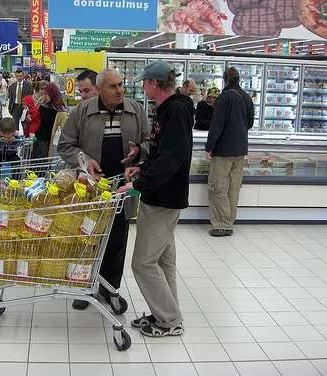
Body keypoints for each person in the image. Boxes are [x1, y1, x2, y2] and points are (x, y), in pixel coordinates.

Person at [58, 68, 150, 310]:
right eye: (113, 86)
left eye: (121, 85)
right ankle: (84, 287)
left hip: (121, 188)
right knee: (86, 239)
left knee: (117, 240)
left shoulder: (135, 110)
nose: (120, 90)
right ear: (99, 89)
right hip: (90, 188)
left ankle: (110, 289)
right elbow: (65, 145)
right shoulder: (82, 112)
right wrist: (84, 159)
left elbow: (149, 141)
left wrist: (139, 151)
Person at [118, 60, 194, 338]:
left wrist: (140, 183)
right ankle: (165, 313)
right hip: (163, 194)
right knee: (163, 261)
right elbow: (163, 152)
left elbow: (173, 157)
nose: (142, 87)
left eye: (144, 82)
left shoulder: (174, 111)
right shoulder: (170, 109)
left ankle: (169, 320)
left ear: (153, 83)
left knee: (143, 262)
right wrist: (142, 165)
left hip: (163, 198)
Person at [205, 67, 254, 237]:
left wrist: (209, 146)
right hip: (240, 149)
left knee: (218, 187)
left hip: (223, 150)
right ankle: (229, 220)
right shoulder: (246, 97)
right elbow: (250, 123)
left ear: (225, 79)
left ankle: (222, 224)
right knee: (233, 188)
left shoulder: (224, 97)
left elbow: (217, 124)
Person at [34, 82, 67, 158]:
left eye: (46, 94)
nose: (43, 96)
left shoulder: (61, 111)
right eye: (43, 94)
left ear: (52, 94)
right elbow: (34, 114)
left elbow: (65, 130)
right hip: (37, 139)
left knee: (44, 163)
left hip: (48, 142)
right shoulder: (41, 102)